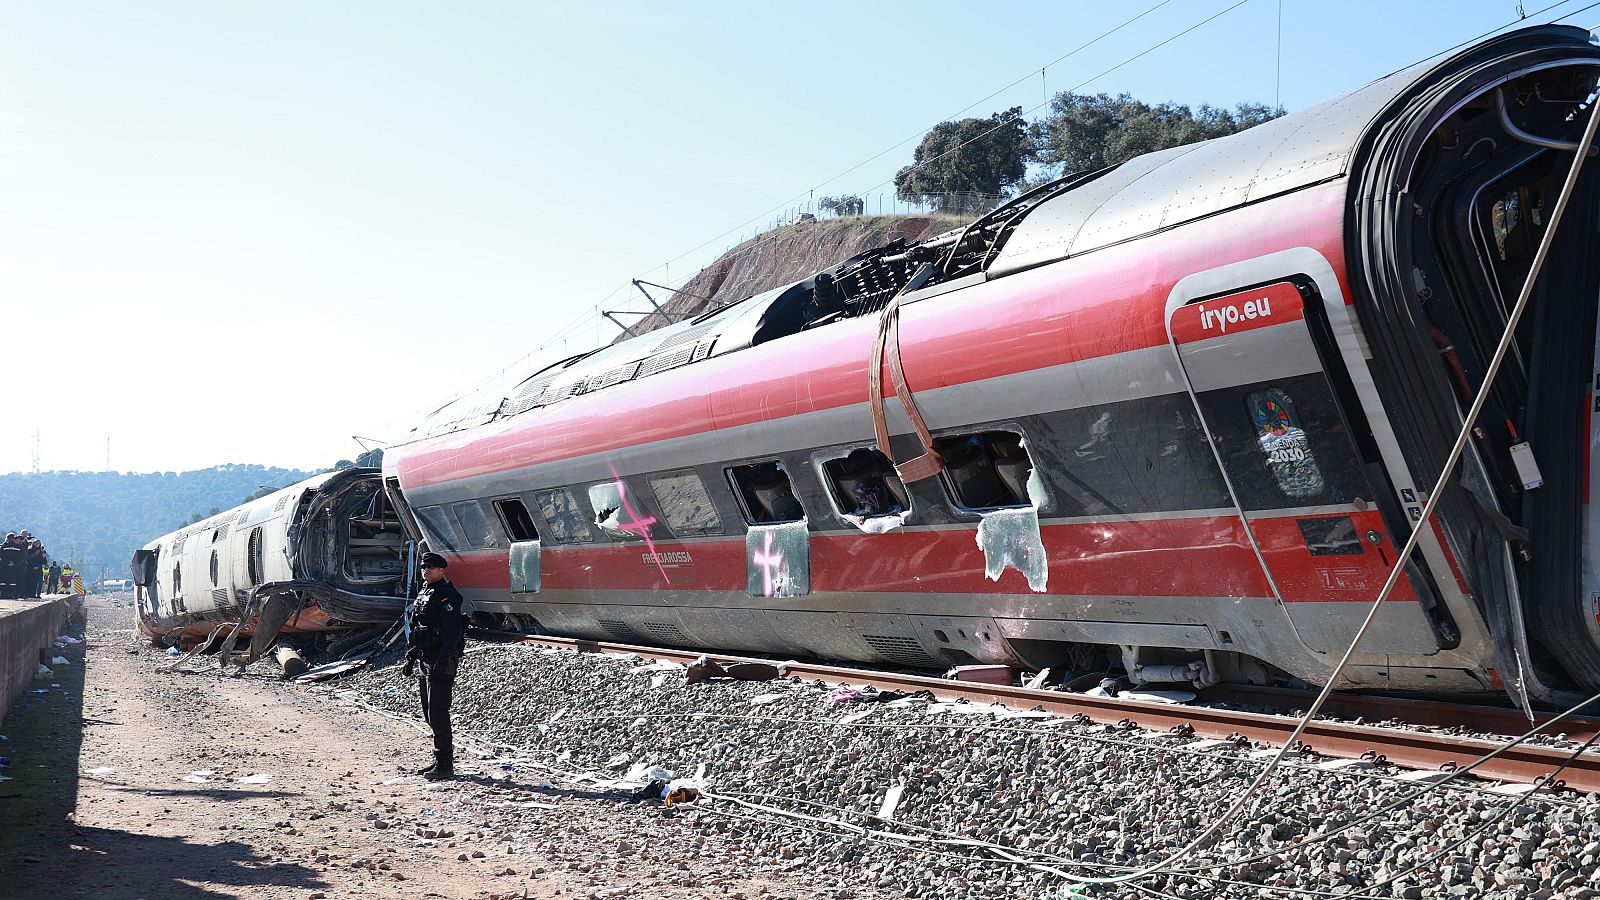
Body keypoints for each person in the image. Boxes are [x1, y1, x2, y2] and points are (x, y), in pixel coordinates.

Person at [403, 552, 466, 780]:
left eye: (430, 567)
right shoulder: (425, 592)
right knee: (429, 713)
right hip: (425, 659)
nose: (425, 571)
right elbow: (418, 627)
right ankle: (439, 760)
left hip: (441, 660)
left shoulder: (447, 596)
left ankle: (445, 764)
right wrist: (412, 656)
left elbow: (452, 634)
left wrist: (442, 660)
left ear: (442, 570)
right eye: (423, 567)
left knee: (438, 712)